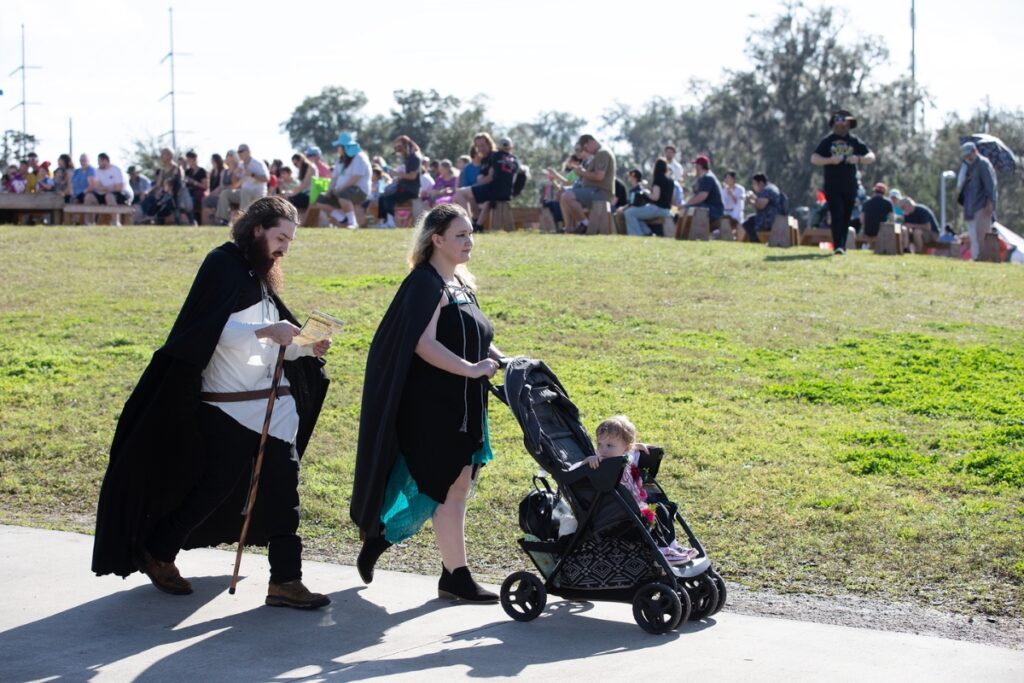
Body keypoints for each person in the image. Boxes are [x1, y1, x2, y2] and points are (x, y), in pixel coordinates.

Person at [92, 196, 332, 610]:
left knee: (283, 491)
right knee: (214, 487)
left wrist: (302, 348)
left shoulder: (260, 275)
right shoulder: (221, 265)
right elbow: (211, 332)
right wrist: (267, 332)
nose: (284, 249)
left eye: (290, 241)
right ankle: (159, 550)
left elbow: (264, 345)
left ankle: (285, 581)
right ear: (257, 229)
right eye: (280, 237)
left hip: (272, 410)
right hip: (227, 406)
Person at [351, 203, 504, 603]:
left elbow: (471, 335)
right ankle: (448, 572)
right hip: (435, 406)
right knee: (444, 487)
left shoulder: (459, 283)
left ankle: (438, 567)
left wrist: (500, 358)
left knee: (456, 487)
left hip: (465, 402)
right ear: (436, 239)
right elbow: (423, 343)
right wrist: (471, 369)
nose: (469, 242)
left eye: (471, 234)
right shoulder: (425, 283)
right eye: (460, 235)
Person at [583, 416, 697, 565]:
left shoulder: (627, 457)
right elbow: (576, 470)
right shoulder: (599, 464)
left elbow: (633, 451)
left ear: (625, 448)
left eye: (610, 445)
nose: (603, 449)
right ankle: (661, 552)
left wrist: (637, 446)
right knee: (649, 516)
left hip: (636, 507)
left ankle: (671, 546)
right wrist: (587, 461)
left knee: (662, 510)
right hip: (619, 515)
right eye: (599, 444)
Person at [811, 109, 876, 254]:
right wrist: (830, 160)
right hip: (832, 184)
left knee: (846, 215)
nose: (840, 122)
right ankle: (838, 246)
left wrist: (858, 159)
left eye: (843, 120)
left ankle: (843, 246)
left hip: (850, 184)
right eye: (837, 120)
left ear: (849, 123)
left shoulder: (854, 141)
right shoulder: (827, 141)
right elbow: (814, 158)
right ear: (833, 123)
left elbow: (871, 156)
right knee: (837, 213)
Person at [559, 134, 616, 234]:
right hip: (592, 191)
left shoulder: (602, 153)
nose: (585, 151)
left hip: (601, 193)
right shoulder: (593, 157)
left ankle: (585, 224)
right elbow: (568, 180)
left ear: (590, 142)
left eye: (584, 148)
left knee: (567, 196)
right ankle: (569, 228)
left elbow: (599, 176)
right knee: (563, 194)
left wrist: (582, 172)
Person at [958, 141, 998, 261]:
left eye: (969, 154)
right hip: (971, 206)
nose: (967, 158)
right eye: (965, 156)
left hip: (982, 205)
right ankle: (977, 257)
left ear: (975, 151)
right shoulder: (968, 166)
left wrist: (990, 203)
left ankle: (983, 258)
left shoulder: (983, 164)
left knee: (982, 234)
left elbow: (990, 185)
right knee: (974, 235)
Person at [215, 144, 268, 225]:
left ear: (248, 152)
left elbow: (266, 179)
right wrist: (235, 175)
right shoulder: (240, 165)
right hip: (244, 193)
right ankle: (224, 220)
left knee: (245, 191)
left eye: (241, 151)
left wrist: (252, 174)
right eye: (238, 152)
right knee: (225, 193)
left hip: (258, 193)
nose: (239, 153)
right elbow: (234, 185)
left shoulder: (258, 163)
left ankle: (243, 221)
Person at [377, 135, 423, 228]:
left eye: (399, 147)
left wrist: (397, 174)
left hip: (410, 190)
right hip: (403, 187)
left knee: (388, 197)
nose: (398, 150)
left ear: (405, 146)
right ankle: (384, 221)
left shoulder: (414, 158)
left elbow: (412, 176)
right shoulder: (408, 159)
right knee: (382, 196)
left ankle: (391, 223)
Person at [624, 159, 673, 237]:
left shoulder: (658, 178)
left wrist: (645, 191)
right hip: (667, 210)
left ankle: (636, 235)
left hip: (657, 208)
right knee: (637, 214)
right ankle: (647, 233)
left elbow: (655, 197)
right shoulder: (670, 181)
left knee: (629, 213)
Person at [84, 153, 132, 224]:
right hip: (104, 193)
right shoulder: (97, 171)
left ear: (105, 161)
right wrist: (109, 188)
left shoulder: (116, 170)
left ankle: (115, 221)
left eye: (99, 161)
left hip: (122, 194)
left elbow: (119, 188)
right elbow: (97, 186)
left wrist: (105, 188)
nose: (98, 163)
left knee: (109, 196)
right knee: (89, 197)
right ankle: (89, 222)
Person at [681, 155, 724, 225]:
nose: (694, 168)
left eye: (695, 165)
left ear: (699, 166)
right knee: (688, 208)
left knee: (690, 208)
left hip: (714, 210)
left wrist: (686, 205)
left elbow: (702, 196)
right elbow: (696, 195)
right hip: (708, 207)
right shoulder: (702, 178)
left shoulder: (708, 178)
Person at [741, 173, 782, 242]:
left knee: (748, 223)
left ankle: (756, 241)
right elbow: (762, 201)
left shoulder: (766, 190)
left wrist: (751, 201)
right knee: (749, 219)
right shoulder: (770, 188)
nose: (753, 186)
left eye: (754, 184)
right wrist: (753, 198)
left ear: (761, 183)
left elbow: (761, 206)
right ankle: (754, 240)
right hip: (774, 216)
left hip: (769, 219)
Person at [183, 151, 209, 225]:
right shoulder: (188, 171)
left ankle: (193, 221)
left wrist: (194, 182)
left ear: (194, 159)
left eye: (189, 159)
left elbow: (205, 186)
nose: (188, 162)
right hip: (189, 192)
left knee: (190, 200)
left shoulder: (202, 171)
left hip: (199, 193)